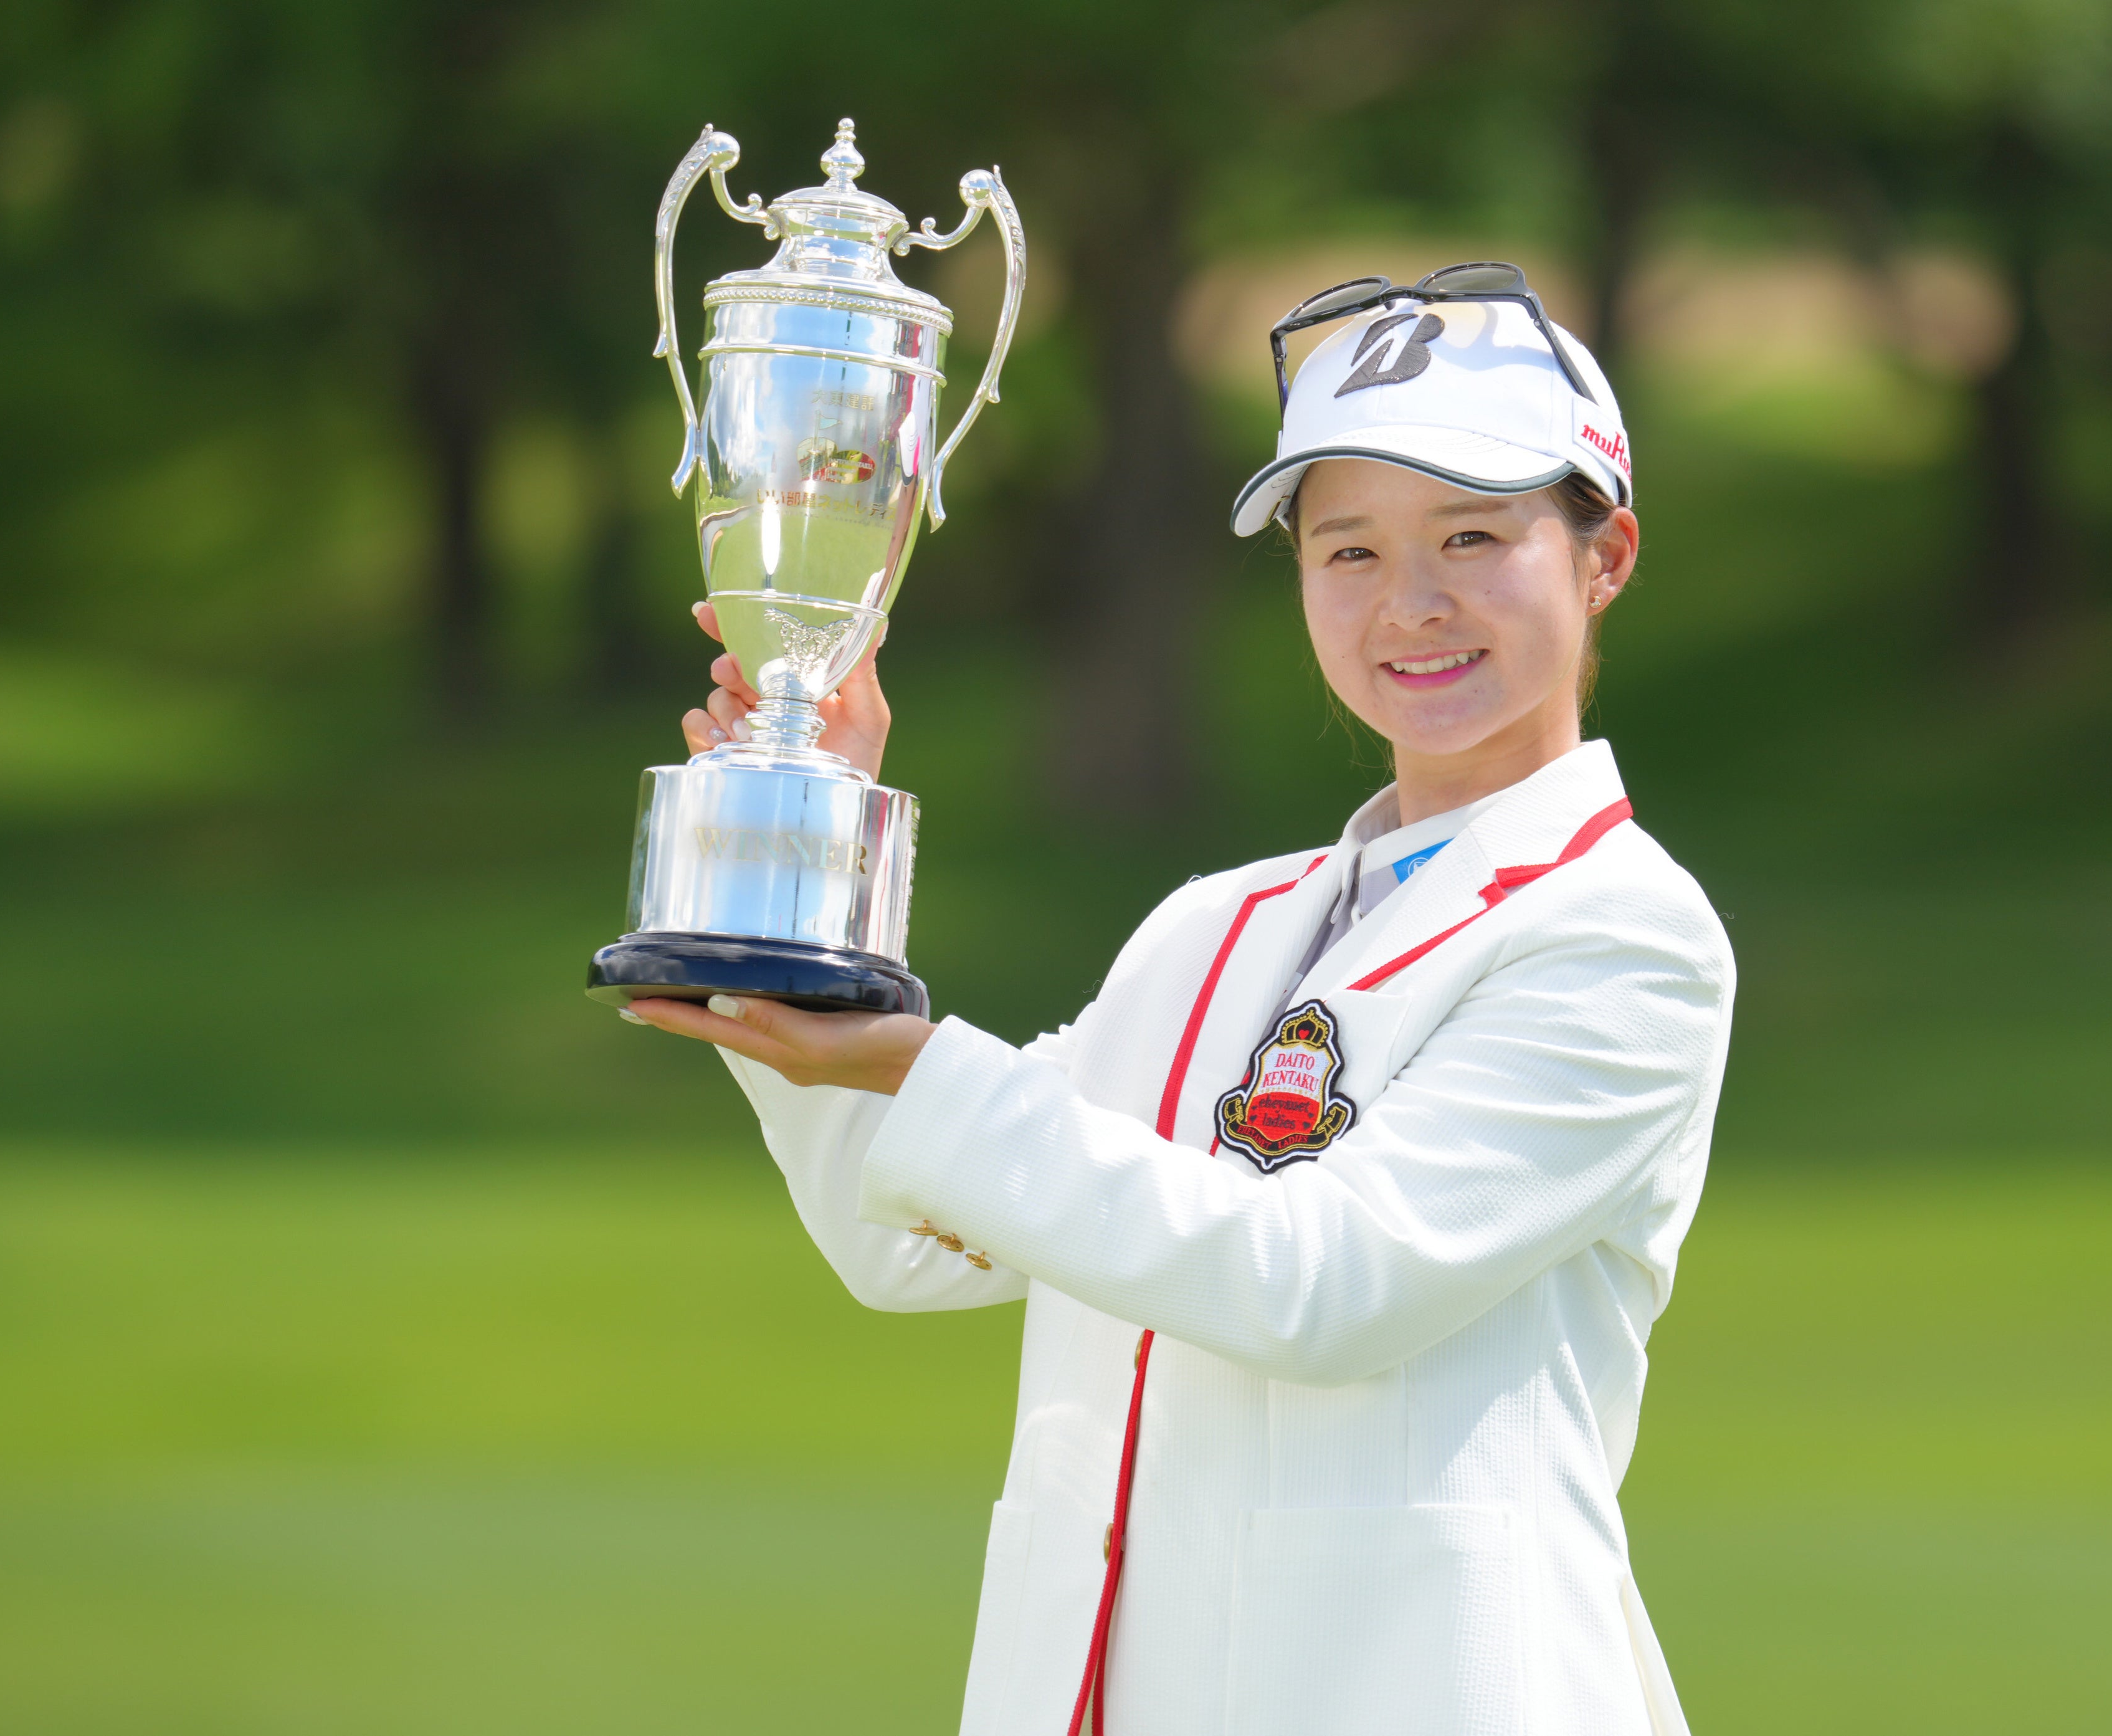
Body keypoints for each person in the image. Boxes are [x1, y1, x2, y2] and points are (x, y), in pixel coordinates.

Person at [628, 264, 1734, 1736]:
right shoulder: (1214, 926)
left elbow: (1325, 1285)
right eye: (1348, 552)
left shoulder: (1624, 933)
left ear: (1605, 557)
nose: (1412, 603)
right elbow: (907, 1245)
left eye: (1474, 535)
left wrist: (921, 1067)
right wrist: (792, 919)